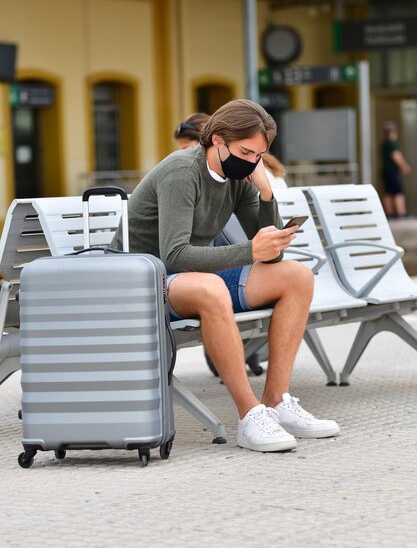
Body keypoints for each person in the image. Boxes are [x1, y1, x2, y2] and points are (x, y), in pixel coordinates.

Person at [112, 99, 339, 453]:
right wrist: (250, 251)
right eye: (246, 152)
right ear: (218, 140)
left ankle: (278, 400)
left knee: (296, 277)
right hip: (144, 281)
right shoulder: (182, 172)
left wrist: (265, 193)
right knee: (211, 287)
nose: (251, 161)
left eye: (258, 155)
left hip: (189, 278)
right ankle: (250, 417)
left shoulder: (241, 178)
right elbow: (173, 255)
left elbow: (273, 255)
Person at [381, 120, 411, 218]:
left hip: (385, 171)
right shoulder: (391, 144)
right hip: (392, 171)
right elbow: (396, 156)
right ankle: (400, 213)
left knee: (388, 192)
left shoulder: (384, 144)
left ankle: (389, 213)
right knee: (398, 191)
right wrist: (403, 166)